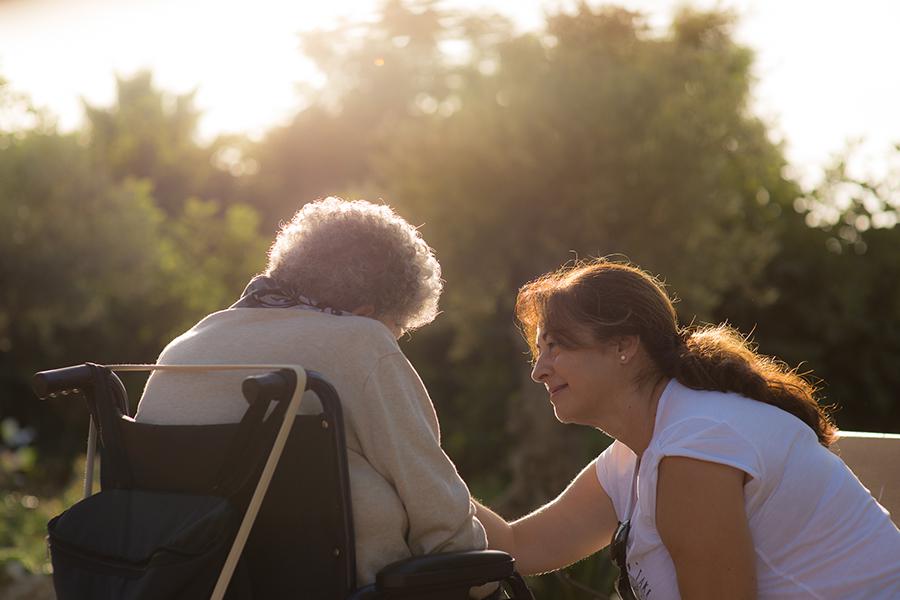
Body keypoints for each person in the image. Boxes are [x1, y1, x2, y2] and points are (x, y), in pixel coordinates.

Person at [474, 259, 900, 600]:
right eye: (538, 349)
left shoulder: (696, 445)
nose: (538, 370)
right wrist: (415, 462)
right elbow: (519, 545)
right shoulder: (639, 454)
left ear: (623, 346)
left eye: (556, 346)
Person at [135, 197, 486, 586]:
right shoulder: (359, 339)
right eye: (396, 332)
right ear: (367, 312)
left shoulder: (183, 348)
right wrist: (486, 582)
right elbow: (443, 518)